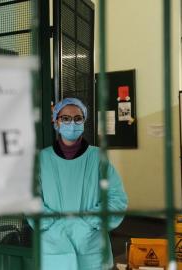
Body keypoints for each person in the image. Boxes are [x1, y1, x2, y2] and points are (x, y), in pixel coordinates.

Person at [30, 97, 128, 270]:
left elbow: (117, 199)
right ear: (56, 122)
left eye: (77, 118)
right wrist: (54, 224)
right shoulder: (41, 160)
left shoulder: (98, 158)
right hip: (53, 249)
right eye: (65, 118)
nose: (72, 123)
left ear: (84, 121)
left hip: (92, 248)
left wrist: (88, 222)